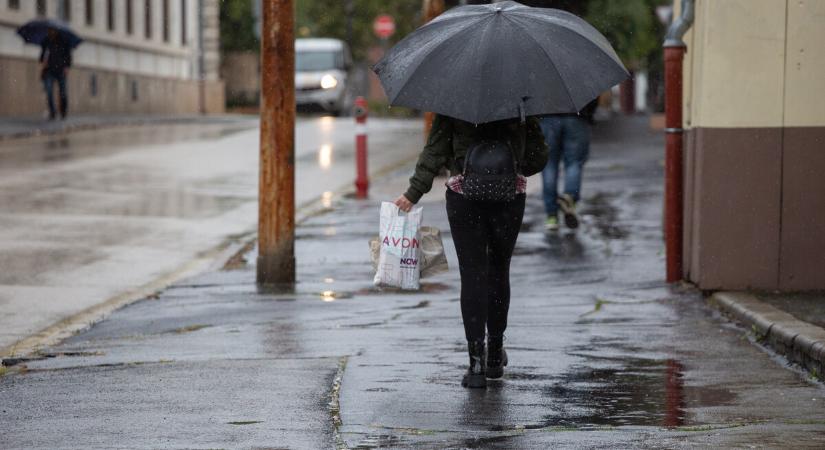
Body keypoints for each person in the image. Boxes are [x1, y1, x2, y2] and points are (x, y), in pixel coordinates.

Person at [394, 114, 548, 388]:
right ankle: (494, 356)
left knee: (473, 274)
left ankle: (475, 364)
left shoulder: (454, 101)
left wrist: (412, 193)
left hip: (464, 197)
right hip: (508, 196)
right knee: (499, 270)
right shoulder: (520, 99)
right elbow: (538, 157)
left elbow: (435, 150)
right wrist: (511, 162)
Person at [540, 98, 598, 231]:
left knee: (549, 165)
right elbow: (593, 96)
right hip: (576, 115)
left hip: (547, 117)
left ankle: (551, 216)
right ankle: (569, 198)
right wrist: (589, 113)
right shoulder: (579, 76)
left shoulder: (538, 76)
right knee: (574, 163)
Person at [40, 27, 73, 120]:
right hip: (49, 70)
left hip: (61, 69)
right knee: (49, 91)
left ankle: (63, 111)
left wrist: (67, 66)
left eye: (52, 30)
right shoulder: (46, 41)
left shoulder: (63, 41)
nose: (51, 32)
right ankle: (52, 111)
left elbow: (68, 55)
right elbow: (42, 56)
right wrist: (43, 61)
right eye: (49, 30)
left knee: (63, 92)